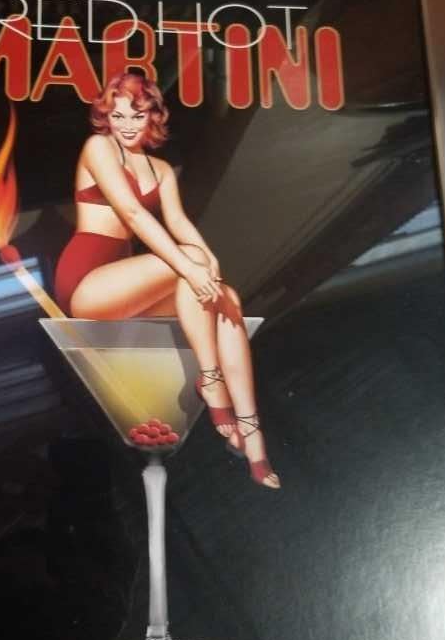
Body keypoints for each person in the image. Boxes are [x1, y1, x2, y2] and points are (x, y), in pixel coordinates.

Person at [54, 72, 279, 489]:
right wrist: (191, 266)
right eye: (117, 114)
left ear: (153, 116)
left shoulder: (161, 170)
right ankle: (211, 382)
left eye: (136, 115)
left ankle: (251, 432)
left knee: (225, 297)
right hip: (87, 282)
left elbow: (178, 222)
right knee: (192, 268)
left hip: (129, 288)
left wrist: (209, 264)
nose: (125, 124)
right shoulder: (98, 148)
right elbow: (133, 214)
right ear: (106, 116)